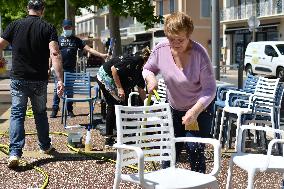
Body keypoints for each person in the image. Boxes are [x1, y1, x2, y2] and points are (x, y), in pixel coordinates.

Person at [142, 12, 216, 173]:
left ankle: (198, 183)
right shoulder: (161, 49)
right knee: (169, 150)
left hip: (199, 109)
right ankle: (166, 182)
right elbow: (147, 68)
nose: (175, 43)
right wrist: (151, 79)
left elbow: (210, 89)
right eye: (171, 39)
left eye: (180, 40)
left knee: (194, 148)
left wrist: (194, 111)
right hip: (174, 108)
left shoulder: (199, 54)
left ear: (188, 35)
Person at [0, 0, 64, 168]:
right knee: (40, 113)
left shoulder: (14, 25)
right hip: (39, 80)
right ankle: (44, 145)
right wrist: (60, 80)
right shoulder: (48, 28)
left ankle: (14, 153)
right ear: (42, 10)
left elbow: (0, 45)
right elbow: (55, 53)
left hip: (18, 78)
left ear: (27, 9)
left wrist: (1, 60)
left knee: (17, 114)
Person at [49, 19, 108, 118]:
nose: (67, 29)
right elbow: (52, 54)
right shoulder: (58, 40)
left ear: (72, 28)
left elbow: (89, 49)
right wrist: (49, 66)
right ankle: (54, 110)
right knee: (57, 90)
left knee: (70, 91)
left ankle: (69, 110)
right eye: (65, 27)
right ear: (63, 28)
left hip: (71, 69)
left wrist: (101, 55)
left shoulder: (76, 40)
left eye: (69, 27)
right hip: (60, 69)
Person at [95, 47, 151, 146]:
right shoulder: (135, 60)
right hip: (106, 75)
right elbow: (114, 69)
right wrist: (120, 88)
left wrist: (147, 105)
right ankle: (109, 138)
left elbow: (141, 89)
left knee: (122, 106)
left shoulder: (142, 69)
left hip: (117, 81)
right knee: (114, 105)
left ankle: (122, 134)